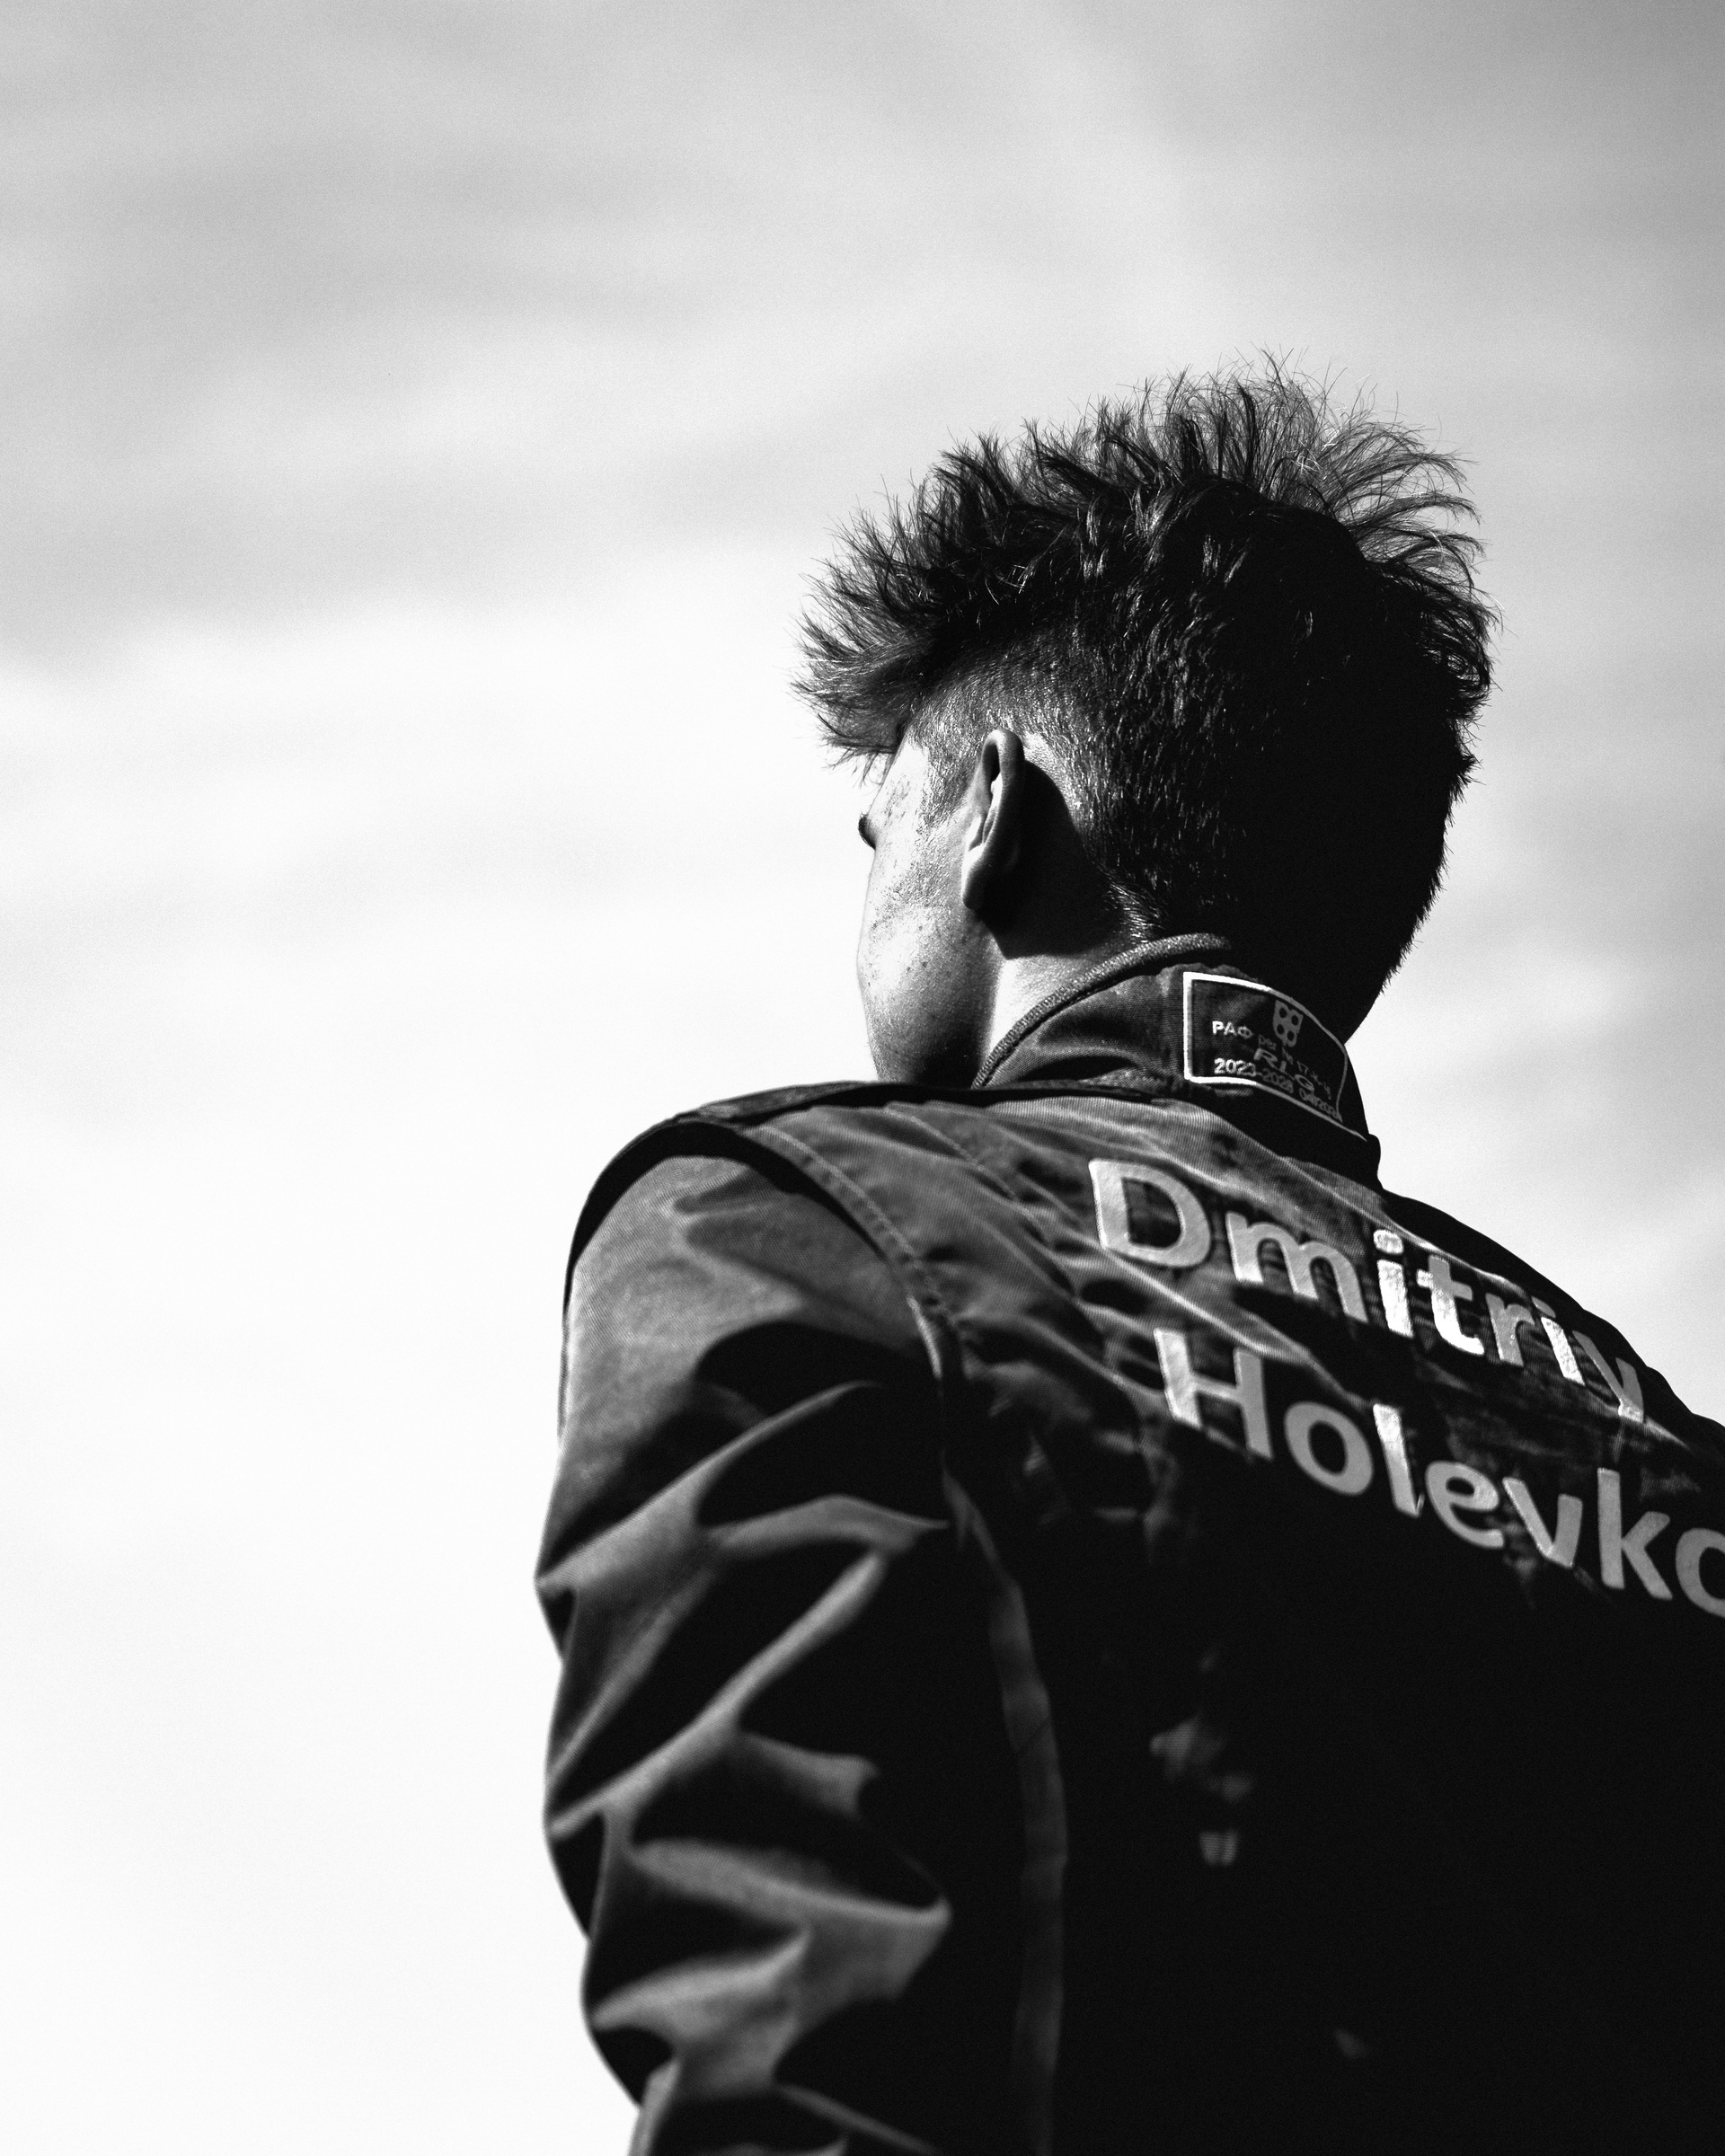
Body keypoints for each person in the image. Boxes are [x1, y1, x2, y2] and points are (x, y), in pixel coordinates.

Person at [536, 368, 1725, 2155]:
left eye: (880, 832)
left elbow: (797, 2052)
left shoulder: (795, 1222)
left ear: (993, 817)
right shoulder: (1647, 1427)